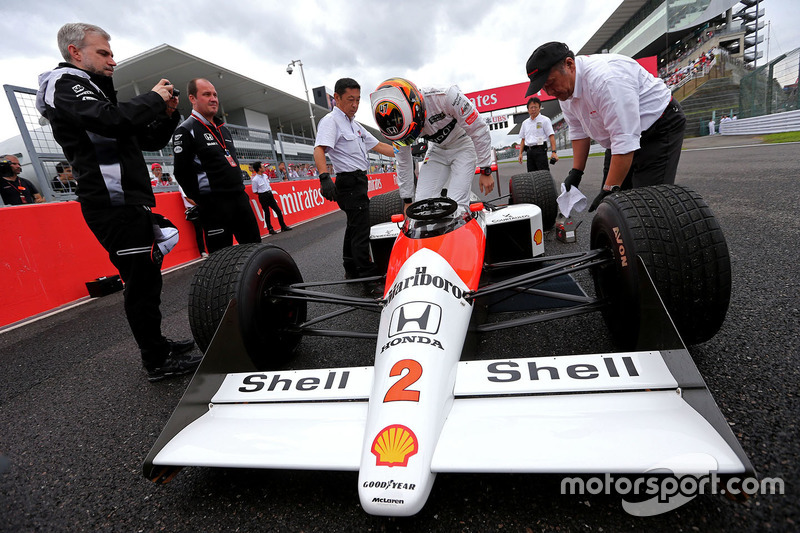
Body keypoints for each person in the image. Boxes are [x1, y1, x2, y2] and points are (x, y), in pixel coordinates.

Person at [35, 22, 197, 382]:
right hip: (110, 204)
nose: (113, 61)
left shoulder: (94, 92)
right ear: (75, 52)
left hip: (127, 201)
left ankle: (158, 345)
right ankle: (155, 361)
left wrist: (167, 115)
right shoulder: (64, 83)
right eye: (103, 53)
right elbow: (110, 121)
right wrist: (154, 97)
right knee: (140, 284)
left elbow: (146, 138)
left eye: (111, 53)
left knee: (148, 280)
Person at [523, 42, 686, 212]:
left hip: (658, 127)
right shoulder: (565, 93)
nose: (549, 92)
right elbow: (578, 132)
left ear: (569, 64)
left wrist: (609, 189)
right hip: (617, 138)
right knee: (614, 206)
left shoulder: (606, 79)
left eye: (550, 83)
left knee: (648, 205)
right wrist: (576, 172)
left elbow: (624, 140)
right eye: (544, 88)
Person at [369, 77, 494, 210]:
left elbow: (479, 128)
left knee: (457, 206)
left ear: (417, 107)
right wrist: (407, 200)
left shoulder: (446, 96)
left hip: (463, 145)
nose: (407, 140)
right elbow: (403, 161)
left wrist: (486, 169)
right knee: (422, 203)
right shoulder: (397, 128)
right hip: (437, 150)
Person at [314, 77, 395, 280]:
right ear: (337, 98)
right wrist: (324, 178)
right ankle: (367, 276)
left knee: (353, 225)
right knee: (361, 229)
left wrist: (405, 150)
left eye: (358, 100)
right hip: (348, 182)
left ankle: (350, 267)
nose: (355, 105)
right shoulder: (331, 121)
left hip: (358, 181)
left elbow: (379, 146)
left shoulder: (355, 125)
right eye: (350, 100)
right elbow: (319, 149)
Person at [172, 78, 262, 253]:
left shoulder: (223, 129)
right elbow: (181, 172)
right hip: (214, 206)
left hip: (240, 199)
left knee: (255, 252)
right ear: (192, 98)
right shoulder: (186, 130)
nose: (213, 98)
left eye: (215, 94)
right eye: (206, 94)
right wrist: (203, 201)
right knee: (221, 259)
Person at [517, 97, 558, 171]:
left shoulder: (545, 120)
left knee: (543, 174)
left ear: (539, 108)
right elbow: (523, 139)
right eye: (531, 107)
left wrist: (554, 152)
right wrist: (520, 154)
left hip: (540, 150)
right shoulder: (525, 123)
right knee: (532, 175)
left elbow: (551, 136)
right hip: (529, 152)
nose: (533, 109)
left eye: (535, 107)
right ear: (528, 110)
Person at [251, 161, 291, 234]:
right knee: (267, 213)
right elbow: (255, 191)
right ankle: (270, 229)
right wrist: (263, 193)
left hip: (270, 194)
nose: (264, 168)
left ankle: (283, 226)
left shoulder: (265, 176)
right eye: (262, 166)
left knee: (278, 211)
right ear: (259, 169)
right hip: (263, 196)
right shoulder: (255, 179)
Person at [178, 184, 207, 258]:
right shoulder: (182, 185)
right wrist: (200, 204)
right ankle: (202, 251)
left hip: (200, 207)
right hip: (193, 210)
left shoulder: (194, 182)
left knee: (207, 229)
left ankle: (210, 249)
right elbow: (187, 198)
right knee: (199, 231)